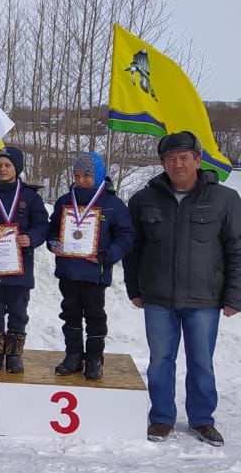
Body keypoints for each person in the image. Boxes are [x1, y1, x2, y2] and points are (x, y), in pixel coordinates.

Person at [123, 130, 241, 446]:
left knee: (201, 360)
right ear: (163, 163)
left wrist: (234, 295)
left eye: (184, 158)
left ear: (197, 160)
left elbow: (237, 248)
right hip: (158, 297)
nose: (178, 164)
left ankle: (202, 420)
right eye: (171, 159)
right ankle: (161, 418)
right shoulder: (143, 199)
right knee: (160, 359)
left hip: (204, 298)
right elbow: (134, 248)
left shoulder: (225, 199)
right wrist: (133, 287)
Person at [47, 151, 134, 381]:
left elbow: (126, 236)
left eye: (87, 175)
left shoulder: (113, 204)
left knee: (95, 315)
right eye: (77, 175)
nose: (81, 180)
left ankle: (95, 357)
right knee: (70, 313)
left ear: (99, 175)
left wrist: (107, 255)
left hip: (96, 271)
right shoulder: (65, 201)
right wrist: (52, 243)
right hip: (69, 270)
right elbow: (52, 230)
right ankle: (74, 355)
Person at [0, 144, 49, 373]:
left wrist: (30, 238)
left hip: (20, 270)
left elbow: (43, 225)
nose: (2, 169)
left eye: (7, 165)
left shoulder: (30, 197)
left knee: (18, 313)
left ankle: (14, 356)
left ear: (18, 168)